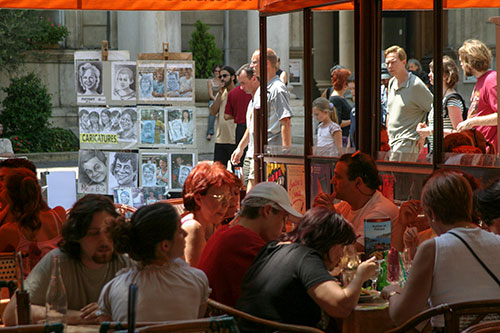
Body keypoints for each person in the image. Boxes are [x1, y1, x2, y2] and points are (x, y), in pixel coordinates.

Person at [382, 170, 500, 329]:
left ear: (431, 214)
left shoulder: (433, 249)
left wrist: (392, 292)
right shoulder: (497, 241)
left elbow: (402, 316)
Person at [236, 207, 377, 331]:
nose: (342, 254)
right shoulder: (306, 257)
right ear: (329, 242)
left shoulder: (273, 248)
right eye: (342, 246)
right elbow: (340, 306)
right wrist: (360, 277)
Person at [2, 195, 132, 326]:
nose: (104, 240)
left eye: (109, 232)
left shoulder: (125, 262)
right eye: (94, 233)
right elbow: (12, 313)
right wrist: (81, 317)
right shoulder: (57, 262)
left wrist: (113, 308)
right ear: (77, 234)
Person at [98, 203, 210, 322]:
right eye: (179, 231)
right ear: (165, 245)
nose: (185, 233)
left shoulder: (112, 288)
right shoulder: (197, 279)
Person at [198, 181, 302, 307]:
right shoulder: (243, 241)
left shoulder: (227, 232)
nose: (284, 229)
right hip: (230, 324)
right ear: (267, 211)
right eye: (283, 219)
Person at [313, 151, 400, 252]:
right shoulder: (344, 206)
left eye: (338, 177)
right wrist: (317, 214)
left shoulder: (381, 212)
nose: (332, 181)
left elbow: (353, 252)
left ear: (358, 182)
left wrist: (332, 219)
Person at [0, 168, 66, 275]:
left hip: (28, 289)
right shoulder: (59, 214)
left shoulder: (10, 231)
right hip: (60, 285)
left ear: (8, 196)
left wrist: (6, 208)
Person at [181, 161, 234, 267]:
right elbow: (197, 279)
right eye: (220, 197)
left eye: (228, 197)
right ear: (198, 199)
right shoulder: (193, 228)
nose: (226, 204)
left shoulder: (212, 225)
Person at [385, 45, 433, 162]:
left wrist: (424, 134)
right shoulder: (391, 83)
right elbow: (389, 113)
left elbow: (434, 109)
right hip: (391, 142)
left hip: (407, 142)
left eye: (393, 62)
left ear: (403, 62)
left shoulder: (415, 84)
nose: (390, 66)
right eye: (387, 63)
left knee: (403, 179)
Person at [416, 56, 465, 152]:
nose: (429, 75)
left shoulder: (451, 100)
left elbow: (459, 132)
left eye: (433, 72)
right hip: (436, 153)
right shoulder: (440, 99)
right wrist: (426, 129)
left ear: (445, 76)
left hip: (448, 155)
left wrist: (430, 131)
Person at [456, 39, 498, 152]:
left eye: (462, 61)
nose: (461, 65)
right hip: (482, 150)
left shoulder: (491, 80)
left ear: (470, 61)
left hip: (492, 151)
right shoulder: (481, 81)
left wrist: (472, 122)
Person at [230, 65, 261, 192]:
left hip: (257, 153)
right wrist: (240, 148)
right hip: (250, 152)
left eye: (243, 83)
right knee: (246, 186)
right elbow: (250, 128)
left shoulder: (260, 99)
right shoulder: (252, 101)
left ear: (254, 79)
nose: (241, 88)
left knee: (251, 191)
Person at [210, 65, 237, 168]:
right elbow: (212, 112)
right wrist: (219, 95)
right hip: (220, 139)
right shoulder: (221, 93)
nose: (222, 79)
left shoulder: (238, 92)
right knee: (218, 172)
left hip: (233, 138)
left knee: (237, 171)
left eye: (225, 76)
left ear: (233, 77)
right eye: (220, 76)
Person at [224, 79, 252, 169]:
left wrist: (237, 115)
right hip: (253, 127)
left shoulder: (233, 93)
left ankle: (239, 178)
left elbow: (227, 116)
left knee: (239, 159)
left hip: (240, 127)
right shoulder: (256, 92)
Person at [325, 68, 352, 146]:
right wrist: (353, 120)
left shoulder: (339, 97)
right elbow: (337, 122)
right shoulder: (336, 99)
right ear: (345, 83)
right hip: (343, 138)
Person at [207, 64, 223, 141]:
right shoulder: (210, 81)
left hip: (222, 99)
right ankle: (210, 132)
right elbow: (210, 94)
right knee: (212, 112)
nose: (217, 72)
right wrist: (217, 101)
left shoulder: (223, 81)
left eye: (218, 71)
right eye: (215, 71)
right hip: (213, 100)